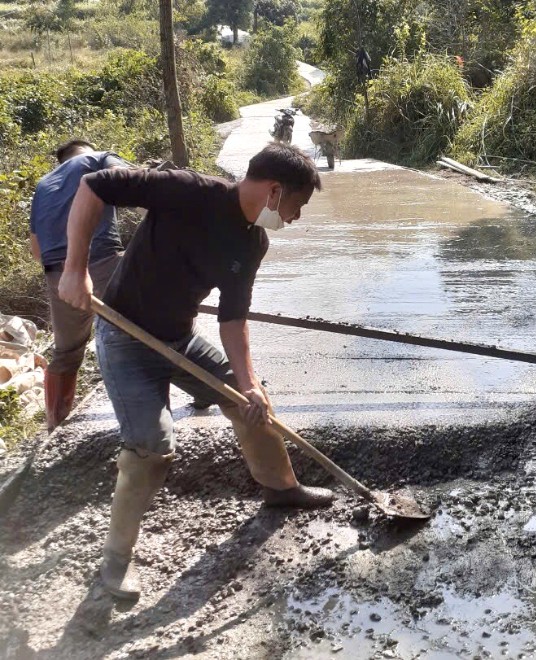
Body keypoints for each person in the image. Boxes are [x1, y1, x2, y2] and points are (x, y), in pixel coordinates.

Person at [58, 143, 334, 601]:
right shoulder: (187, 190)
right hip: (126, 339)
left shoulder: (252, 242)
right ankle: (113, 564)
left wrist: (247, 385)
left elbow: (232, 318)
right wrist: (74, 269)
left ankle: (281, 488)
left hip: (178, 341)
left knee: (252, 401)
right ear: (275, 191)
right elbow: (92, 186)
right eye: (297, 206)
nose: (296, 217)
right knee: (151, 447)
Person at [30, 139, 128, 432]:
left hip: (58, 277)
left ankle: (55, 424)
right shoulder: (99, 159)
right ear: (87, 149)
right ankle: (151, 411)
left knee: (67, 350)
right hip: (102, 262)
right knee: (148, 330)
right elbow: (129, 181)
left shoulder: (43, 185)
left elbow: (36, 250)